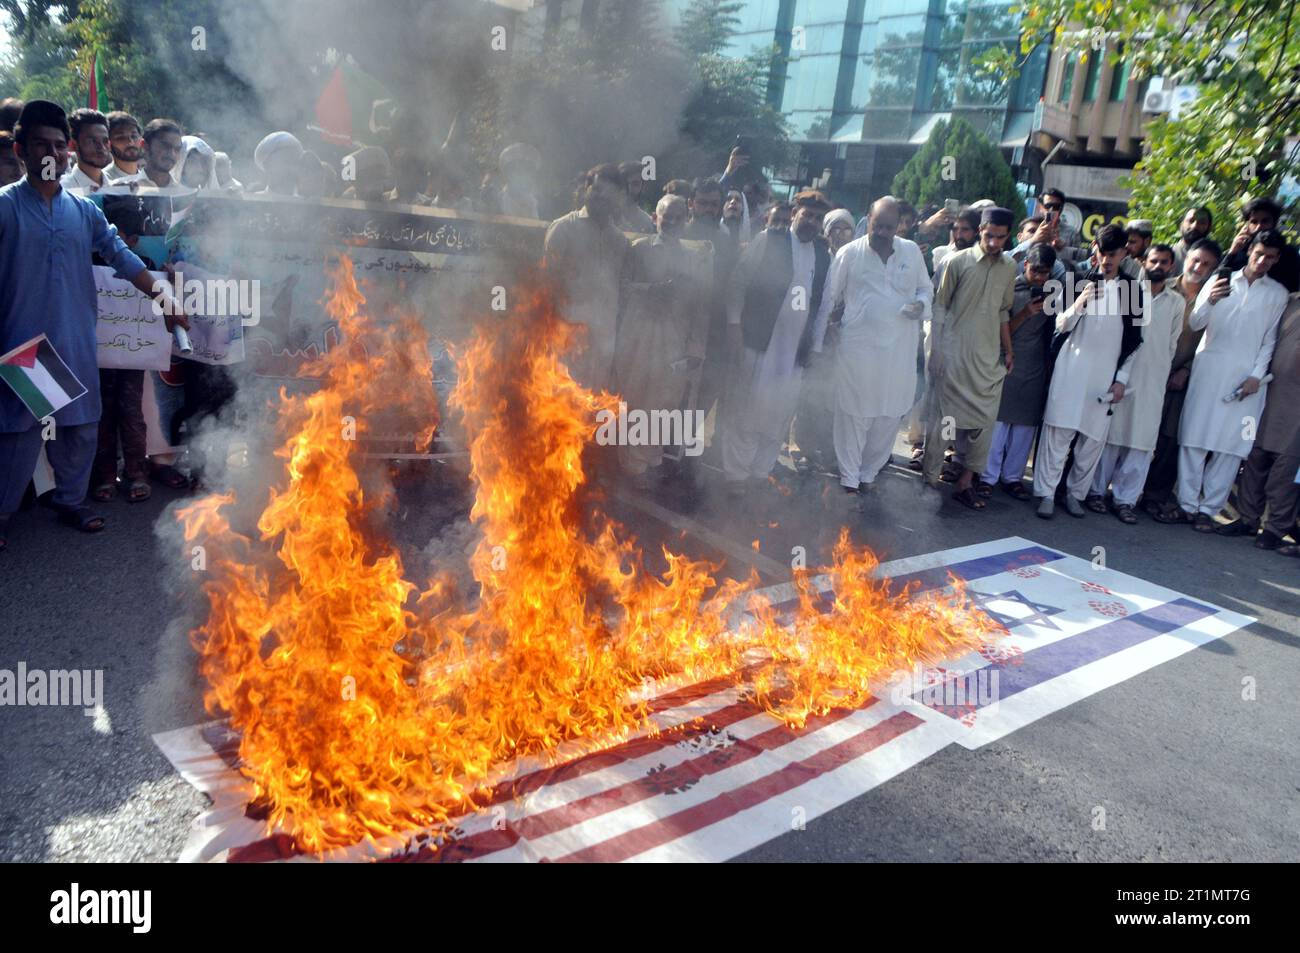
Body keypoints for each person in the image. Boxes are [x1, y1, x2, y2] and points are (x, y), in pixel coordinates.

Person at [0, 101, 187, 551]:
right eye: (42, 144)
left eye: (59, 146)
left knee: (80, 426)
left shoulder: (82, 211)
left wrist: (164, 298)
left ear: (68, 154)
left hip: (75, 338)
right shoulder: (5, 208)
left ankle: (70, 501)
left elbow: (121, 256)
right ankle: (3, 513)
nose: (53, 153)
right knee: (20, 433)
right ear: (21, 150)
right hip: (23, 342)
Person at [1156, 230, 1289, 531]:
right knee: (1194, 439)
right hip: (1208, 371)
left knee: (1231, 447)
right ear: (1250, 250)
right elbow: (1196, 322)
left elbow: (1270, 340)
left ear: (1277, 259)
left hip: (1248, 381)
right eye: (1259, 254)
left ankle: (1209, 510)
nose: (1263, 260)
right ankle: (1187, 505)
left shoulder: (1278, 294)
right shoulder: (1219, 279)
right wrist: (1210, 301)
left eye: (1270, 257)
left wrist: (1256, 375)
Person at [814, 197, 931, 497]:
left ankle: (868, 473)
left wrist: (921, 305)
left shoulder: (909, 252)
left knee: (888, 416)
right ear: (868, 219)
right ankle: (850, 479)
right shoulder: (850, 253)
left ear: (898, 226)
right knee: (854, 414)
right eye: (877, 225)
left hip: (898, 355)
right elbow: (830, 298)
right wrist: (823, 336)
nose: (881, 232)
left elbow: (925, 289)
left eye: (889, 227)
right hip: (859, 353)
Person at [721, 189, 832, 495]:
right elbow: (738, 282)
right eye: (807, 214)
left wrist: (817, 349)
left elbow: (823, 306)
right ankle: (736, 477)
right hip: (759, 341)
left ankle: (759, 473)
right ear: (795, 213)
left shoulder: (823, 256)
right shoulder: (769, 241)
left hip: (794, 352)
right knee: (747, 410)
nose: (811, 221)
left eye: (817, 217)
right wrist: (733, 325)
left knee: (778, 415)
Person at [1034, 224, 1145, 518]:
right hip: (1071, 369)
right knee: (1058, 434)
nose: (1107, 259)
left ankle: (1075, 494)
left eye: (1114, 253)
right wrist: (1080, 303)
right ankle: (1046, 493)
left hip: (1104, 376)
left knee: (1091, 442)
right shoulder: (1074, 280)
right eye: (1103, 252)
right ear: (1094, 249)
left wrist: (1121, 380)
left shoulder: (1132, 290)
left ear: (1125, 253)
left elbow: (1134, 342)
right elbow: (1059, 325)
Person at [922, 206, 1017, 509]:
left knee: (983, 426)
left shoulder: (1009, 267)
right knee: (944, 424)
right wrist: (936, 350)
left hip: (988, 361)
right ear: (980, 232)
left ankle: (965, 483)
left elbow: (1003, 311)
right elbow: (939, 308)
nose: (993, 243)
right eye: (989, 236)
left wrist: (1008, 349)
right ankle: (929, 483)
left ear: (1007, 237)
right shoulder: (957, 262)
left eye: (999, 238)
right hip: (953, 358)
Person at [611, 194, 709, 485]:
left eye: (680, 217)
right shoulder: (638, 249)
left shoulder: (694, 260)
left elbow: (701, 308)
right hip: (638, 335)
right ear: (656, 217)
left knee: (665, 401)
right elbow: (621, 288)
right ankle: (631, 466)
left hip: (675, 340)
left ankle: (650, 460)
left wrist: (695, 349)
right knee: (635, 400)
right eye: (668, 216)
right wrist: (652, 290)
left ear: (686, 220)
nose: (673, 222)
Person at [1085, 243, 1184, 522]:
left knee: (1141, 442)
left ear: (1171, 267)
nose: (1158, 266)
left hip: (1154, 376)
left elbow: (1172, 345)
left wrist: (1161, 371)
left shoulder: (1176, 302)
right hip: (1119, 374)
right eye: (1154, 261)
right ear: (1144, 263)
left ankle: (1125, 500)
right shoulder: (1128, 292)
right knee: (1111, 435)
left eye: (1164, 262)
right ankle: (1095, 492)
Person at [1142, 238, 1223, 514]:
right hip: (1149, 370)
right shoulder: (1162, 284)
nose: (1198, 267)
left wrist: (1185, 370)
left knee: (1170, 437)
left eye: (1206, 264)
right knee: (1140, 429)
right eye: (1195, 260)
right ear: (1185, 258)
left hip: (1184, 378)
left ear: (1213, 269)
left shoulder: (1216, 300)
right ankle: (1122, 490)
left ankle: (1153, 496)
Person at [1218, 291, 1300, 549]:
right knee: (1254, 455)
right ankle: (1248, 519)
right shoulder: (1288, 300)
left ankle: (1276, 527)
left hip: (1296, 407)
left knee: (1285, 466)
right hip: (1263, 395)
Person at [980, 244, 1059, 499]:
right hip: (1006, 360)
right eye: (1035, 270)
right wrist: (1026, 313)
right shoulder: (1010, 288)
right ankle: (987, 477)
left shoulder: (1054, 294)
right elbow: (996, 330)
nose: (1039, 277)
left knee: (1025, 427)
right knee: (999, 424)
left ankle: (1012, 478)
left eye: (1045, 273)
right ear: (1025, 265)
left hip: (1035, 366)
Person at [544, 163, 630, 391]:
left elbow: (620, 291)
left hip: (604, 341)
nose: (603, 197)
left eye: (610, 192)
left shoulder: (620, 241)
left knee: (594, 407)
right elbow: (545, 285)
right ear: (586, 189)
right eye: (598, 189)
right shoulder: (563, 229)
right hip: (567, 337)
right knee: (560, 406)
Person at [792, 207, 855, 474]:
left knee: (834, 398)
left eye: (846, 229)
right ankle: (802, 447)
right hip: (817, 336)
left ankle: (829, 449)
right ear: (826, 233)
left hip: (846, 340)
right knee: (809, 393)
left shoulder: (858, 259)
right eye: (834, 229)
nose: (840, 235)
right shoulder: (818, 258)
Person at [1220, 197, 1300, 292]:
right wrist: (1231, 253)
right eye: (1254, 222)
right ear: (1247, 225)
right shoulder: (1239, 251)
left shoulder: (1289, 254)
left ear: (1274, 223)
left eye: (1265, 221)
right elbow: (1216, 281)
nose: (1259, 226)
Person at [61, 109, 125, 192]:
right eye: (92, 141)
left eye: (105, 141)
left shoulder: (121, 188)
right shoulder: (63, 189)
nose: (101, 147)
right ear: (73, 145)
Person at [497, 142, 541, 219]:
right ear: (507, 174)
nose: (521, 174)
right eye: (516, 170)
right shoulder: (495, 203)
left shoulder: (542, 206)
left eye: (527, 170)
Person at [138, 118, 184, 191]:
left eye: (177, 149)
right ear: (145, 146)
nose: (172, 154)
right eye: (165, 146)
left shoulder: (182, 193)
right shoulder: (125, 189)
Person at [252, 131, 303, 197]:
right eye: (287, 161)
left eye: (296, 162)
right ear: (267, 165)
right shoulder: (254, 201)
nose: (293, 168)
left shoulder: (310, 204)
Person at [1170, 206, 1212, 275]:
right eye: (1191, 221)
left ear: (1209, 228)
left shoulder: (1214, 259)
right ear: (1181, 225)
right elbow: (1148, 284)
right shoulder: (1165, 256)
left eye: (1202, 222)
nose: (1195, 226)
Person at [103, 111, 144, 181]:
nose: (130, 142)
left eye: (134, 136)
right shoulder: (102, 181)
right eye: (121, 138)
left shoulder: (150, 182)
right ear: (108, 144)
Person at [617, 160, 655, 234]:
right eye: (625, 183)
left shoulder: (647, 222)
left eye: (635, 183)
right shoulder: (606, 217)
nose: (630, 189)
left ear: (642, 186)